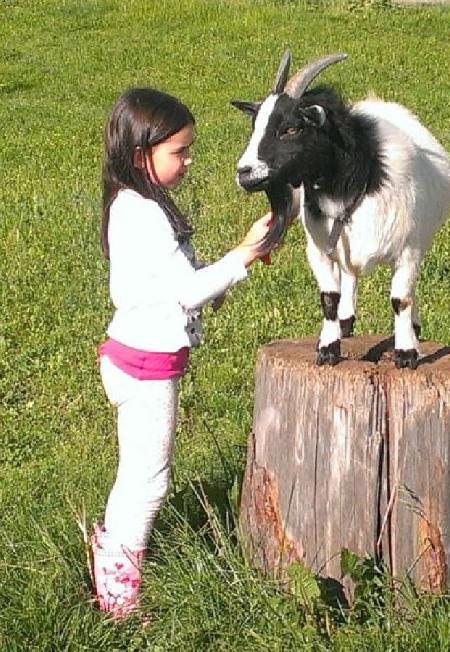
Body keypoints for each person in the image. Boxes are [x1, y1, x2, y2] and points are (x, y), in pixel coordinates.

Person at [91, 87, 274, 618]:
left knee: (139, 474)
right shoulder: (142, 213)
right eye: (181, 152)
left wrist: (238, 262)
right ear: (140, 153)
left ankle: (114, 559)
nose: (190, 161)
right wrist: (242, 254)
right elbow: (186, 290)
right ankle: (118, 591)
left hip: (137, 358)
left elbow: (179, 285)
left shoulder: (137, 203)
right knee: (148, 481)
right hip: (145, 368)